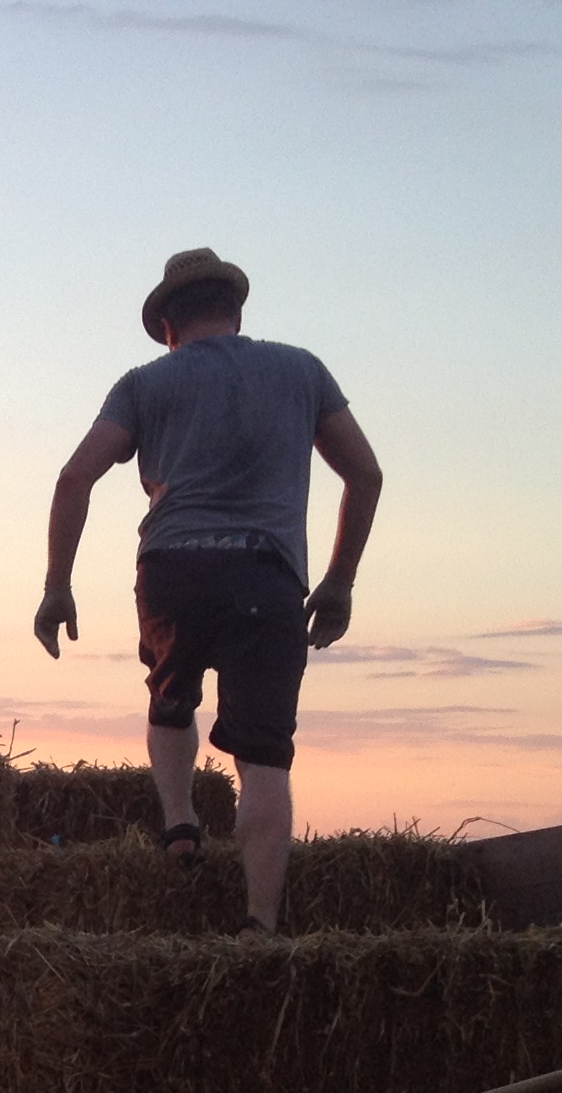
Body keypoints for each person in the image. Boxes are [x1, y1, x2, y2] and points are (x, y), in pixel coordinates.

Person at [32, 247, 383, 933]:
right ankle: (259, 924)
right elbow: (365, 475)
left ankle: (180, 821)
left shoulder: (142, 385)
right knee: (263, 758)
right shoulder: (302, 370)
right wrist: (339, 582)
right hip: (267, 572)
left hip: (172, 569)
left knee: (169, 696)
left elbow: (75, 478)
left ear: (167, 323)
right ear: (237, 310)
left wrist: (57, 586)